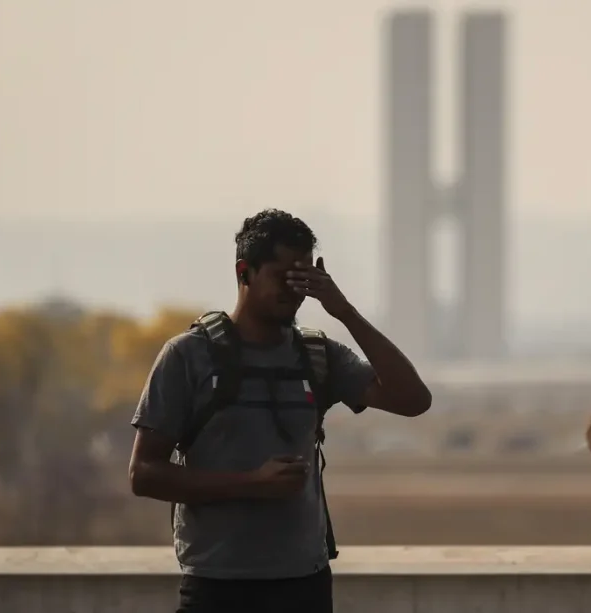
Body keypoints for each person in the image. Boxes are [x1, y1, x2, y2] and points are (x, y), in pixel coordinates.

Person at [128, 209, 432, 613]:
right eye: (282, 276)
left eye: (303, 278)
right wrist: (252, 483)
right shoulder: (188, 356)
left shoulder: (318, 355)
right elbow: (144, 474)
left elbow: (413, 400)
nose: (295, 290)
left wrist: (344, 311)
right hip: (217, 585)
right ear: (245, 271)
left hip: (303, 583)